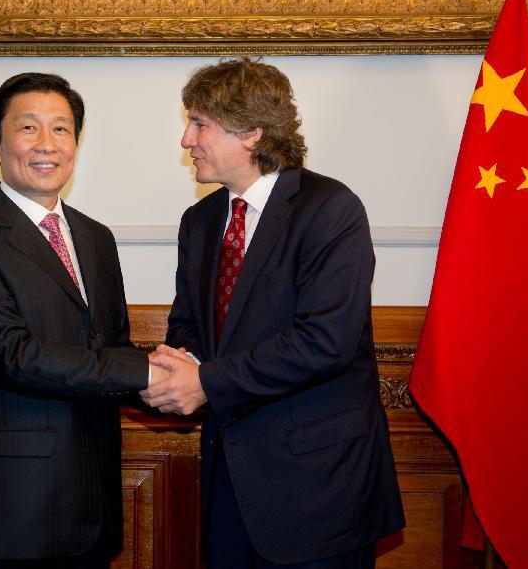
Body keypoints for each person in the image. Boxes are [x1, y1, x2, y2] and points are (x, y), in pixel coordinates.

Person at [141, 58, 405, 568]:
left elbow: (326, 341)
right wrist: (178, 367)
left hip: (318, 488)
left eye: (199, 124)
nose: (186, 139)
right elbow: (188, 323)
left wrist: (207, 383)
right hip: (230, 484)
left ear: (251, 133)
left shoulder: (330, 209)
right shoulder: (200, 220)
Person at [0, 72, 166, 568]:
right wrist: (147, 372)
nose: (46, 144)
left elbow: (111, 347)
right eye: (28, 128)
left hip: (92, 499)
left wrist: (183, 383)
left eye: (61, 129)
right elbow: (11, 357)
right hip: (12, 508)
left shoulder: (96, 238)